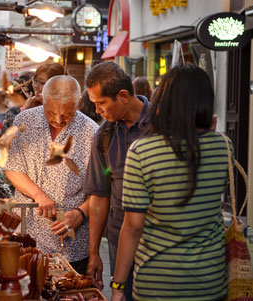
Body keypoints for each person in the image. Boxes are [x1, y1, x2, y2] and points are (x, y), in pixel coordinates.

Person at [111, 64, 229, 301]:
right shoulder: (224, 146)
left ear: (162, 100)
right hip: (210, 281)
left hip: (156, 282)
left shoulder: (142, 151)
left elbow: (133, 226)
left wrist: (117, 285)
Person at [5, 75, 98, 274]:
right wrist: (39, 195)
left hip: (73, 243)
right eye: (51, 112)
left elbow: (100, 192)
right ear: (43, 100)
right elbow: (12, 167)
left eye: (66, 114)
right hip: (27, 234)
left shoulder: (92, 132)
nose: (57, 119)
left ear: (78, 103)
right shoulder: (24, 121)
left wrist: (81, 213)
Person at [83, 62, 150, 300]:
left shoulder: (161, 125)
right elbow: (99, 196)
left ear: (123, 96)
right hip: (117, 239)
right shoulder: (103, 136)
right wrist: (93, 253)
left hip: (158, 239)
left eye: (101, 104)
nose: (98, 111)